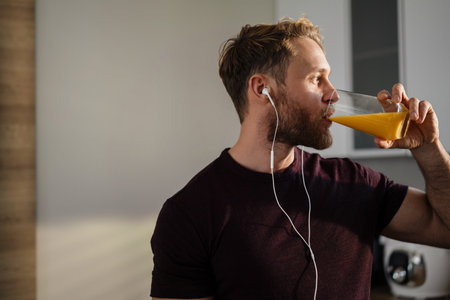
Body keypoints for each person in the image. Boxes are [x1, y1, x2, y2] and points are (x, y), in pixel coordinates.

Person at [150, 17, 450, 300]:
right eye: (316, 79)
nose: (333, 94)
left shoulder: (355, 182)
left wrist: (428, 148)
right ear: (262, 89)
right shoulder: (190, 213)